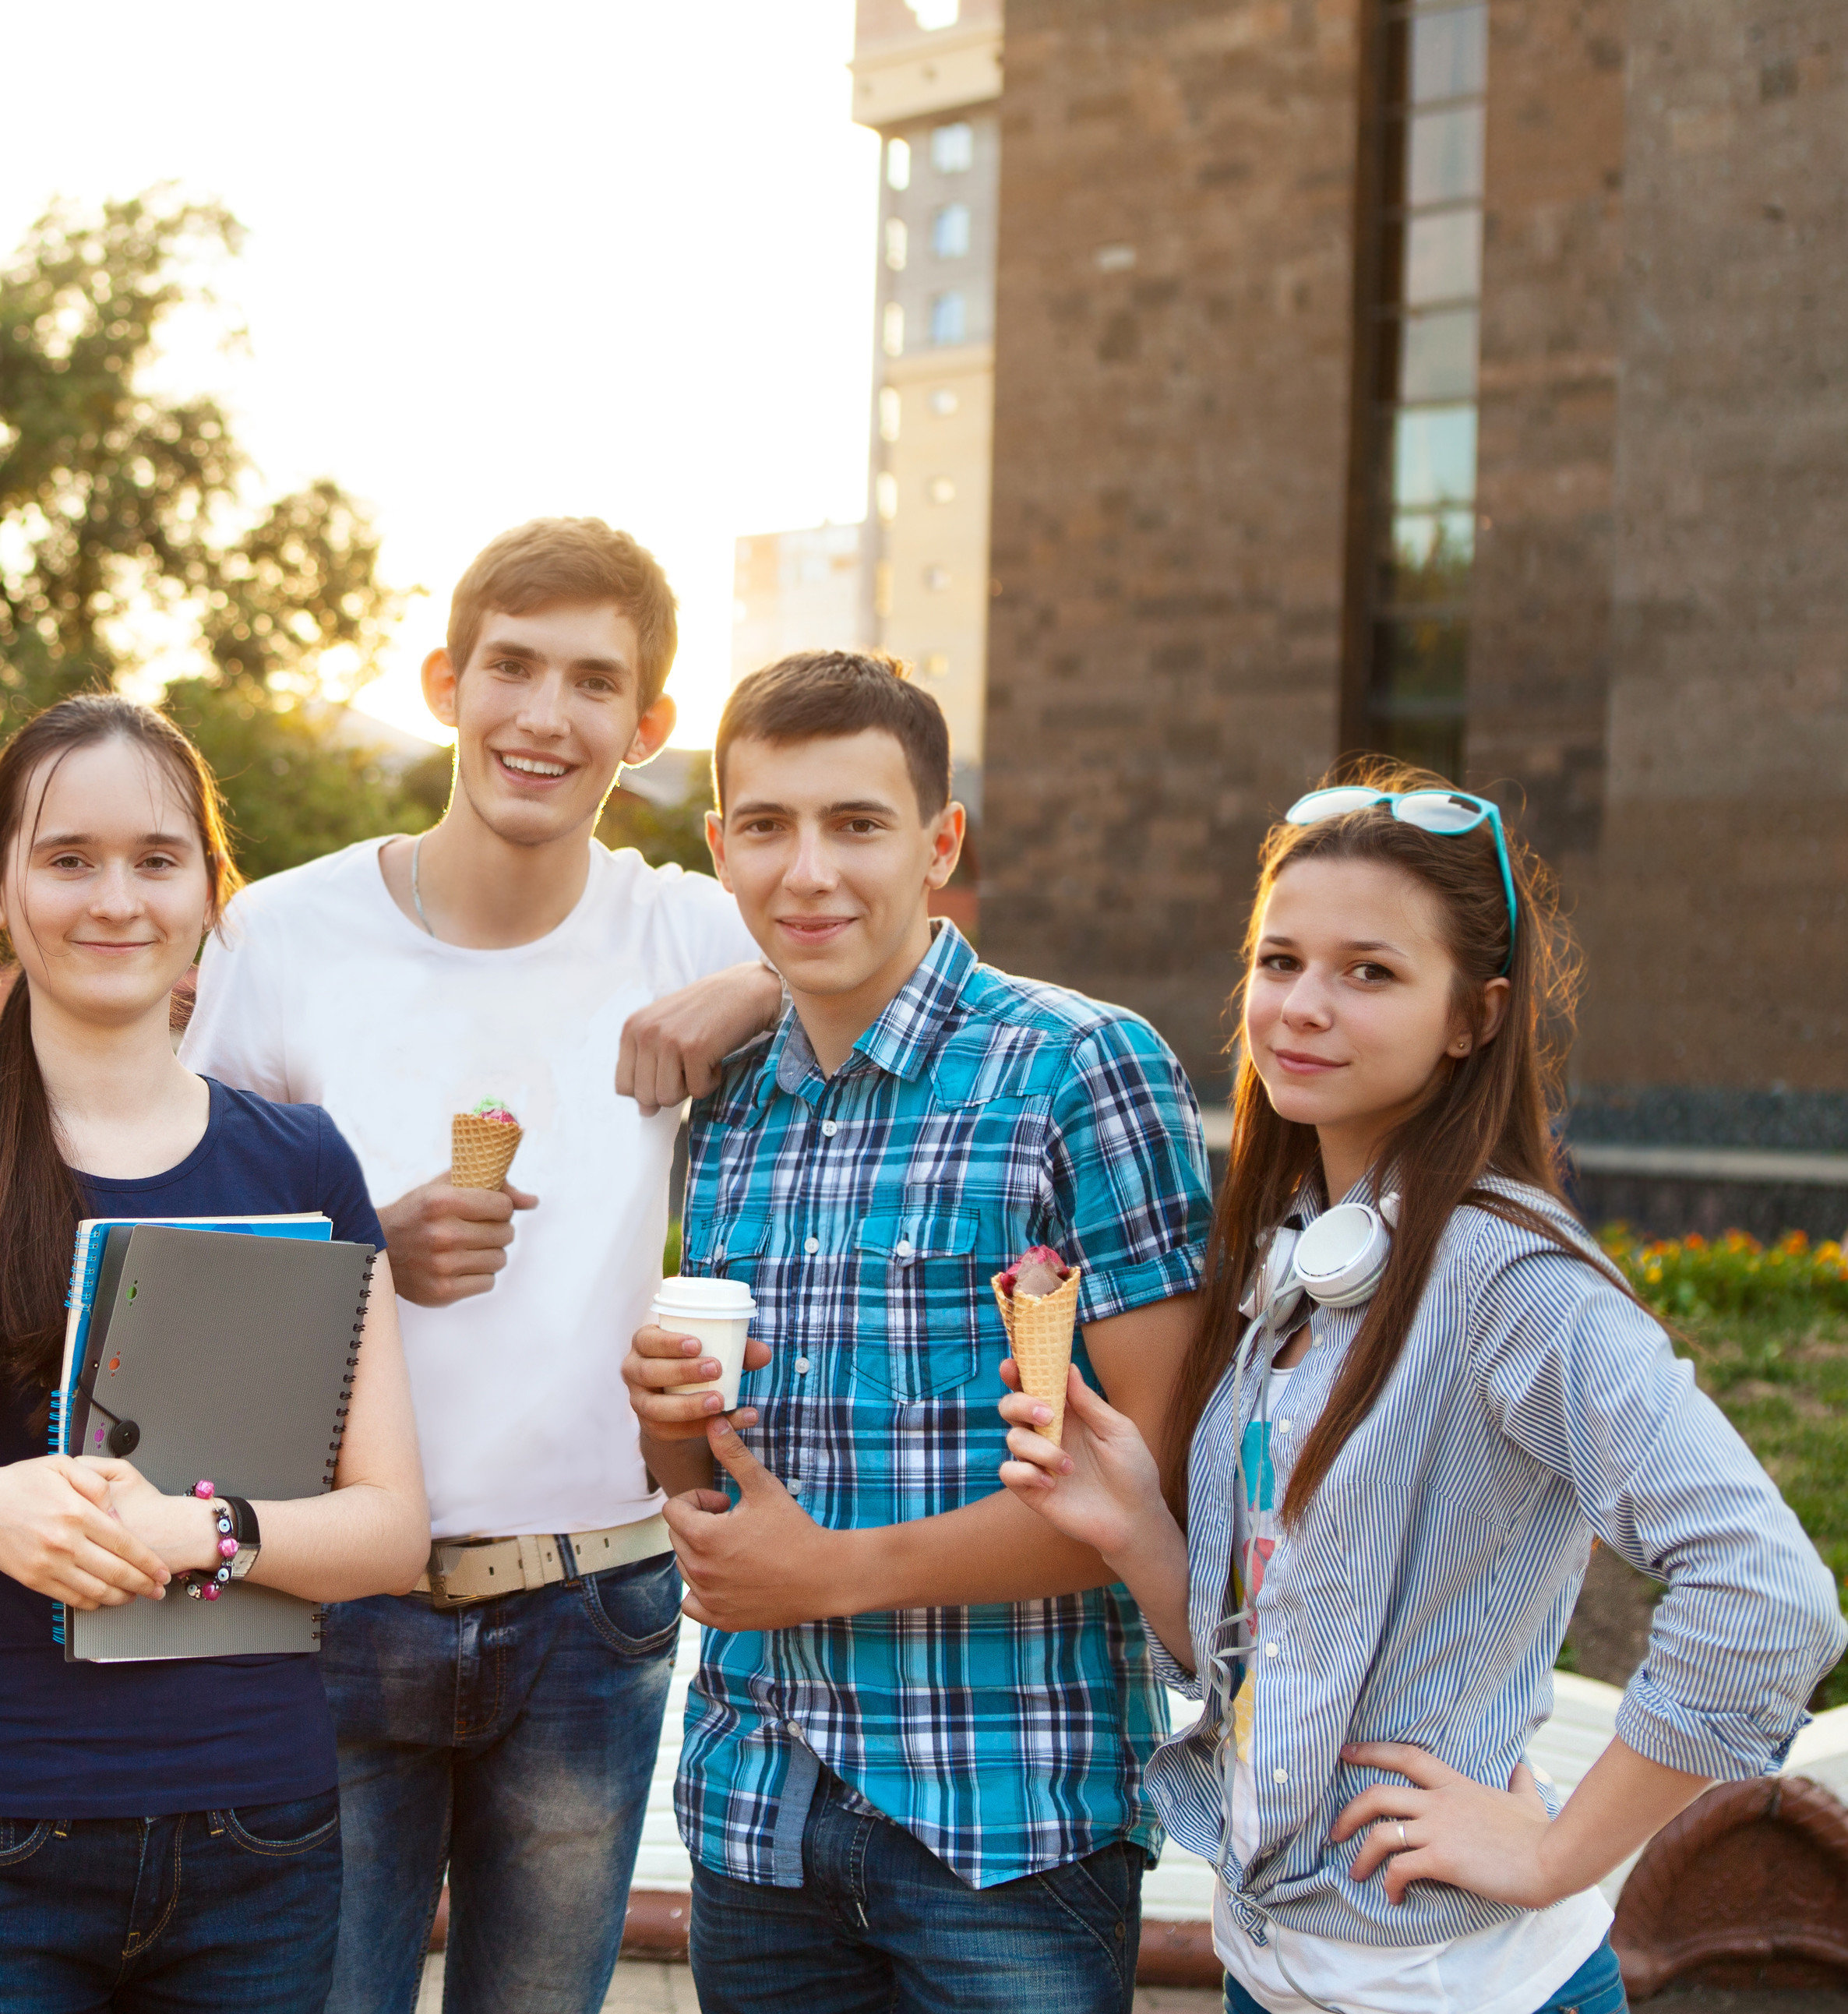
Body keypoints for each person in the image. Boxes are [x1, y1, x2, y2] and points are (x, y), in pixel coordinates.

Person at [993, 764, 1848, 2014]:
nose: (1303, 1006)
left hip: (1451, 1986)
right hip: (1279, 1971)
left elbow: (1770, 1596)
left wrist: (1554, 1852)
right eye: (1280, 961)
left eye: (1370, 971)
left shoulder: (1505, 1275)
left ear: (1474, 1016)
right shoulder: (1306, 1255)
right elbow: (1283, 1656)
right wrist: (1137, 1527)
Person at [180, 516, 784, 2014]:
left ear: (646, 732)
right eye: (512, 667)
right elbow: (180, 1280)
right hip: (334, 1593)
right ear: (446, 681)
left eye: (595, 683)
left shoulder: (687, 924)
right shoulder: (284, 931)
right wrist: (360, 1254)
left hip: (598, 1597)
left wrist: (754, 987)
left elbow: (887, 961)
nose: (544, 715)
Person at [0, 692, 432, 2014]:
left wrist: (205, 1534)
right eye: (67, 858)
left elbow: (390, 1530)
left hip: (260, 1829)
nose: (114, 898)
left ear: (209, 890)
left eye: (156, 858)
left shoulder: (299, 1161)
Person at [621, 650, 1213, 2014]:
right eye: (765, 825)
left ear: (941, 842)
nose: (807, 870)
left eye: (858, 823)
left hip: (1000, 1820)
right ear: (720, 849)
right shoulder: (734, 1111)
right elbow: (725, 1495)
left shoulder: (1079, 1068)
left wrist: (824, 1573)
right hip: (757, 1807)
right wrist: (669, 1431)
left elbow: (1161, 1485)